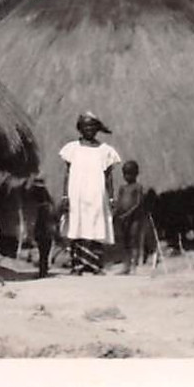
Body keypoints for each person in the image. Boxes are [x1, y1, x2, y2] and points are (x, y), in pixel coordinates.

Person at [58, 111, 121, 275]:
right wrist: (65, 196)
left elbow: (108, 177)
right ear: (80, 128)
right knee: (78, 226)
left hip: (97, 195)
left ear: (97, 128)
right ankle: (77, 266)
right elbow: (67, 174)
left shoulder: (105, 151)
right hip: (77, 195)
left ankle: (95, 266)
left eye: (93, 126)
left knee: (96, 226)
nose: (89, 129)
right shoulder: (71, 148)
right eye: (86, 126)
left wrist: (112, 198)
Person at [111, 159, 155, 274]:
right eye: (125, 174)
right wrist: (115, 214)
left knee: (133, 240)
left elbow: (138, 203)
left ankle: (134, 265)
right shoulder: (122, 188)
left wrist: (128, 214)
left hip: (134, 219)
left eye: (130, 173)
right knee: (124, 242)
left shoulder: (137, 187)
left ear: (136, 174)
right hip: (123, 219)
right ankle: (126, 265)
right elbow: (119, 202)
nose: (127, 176)